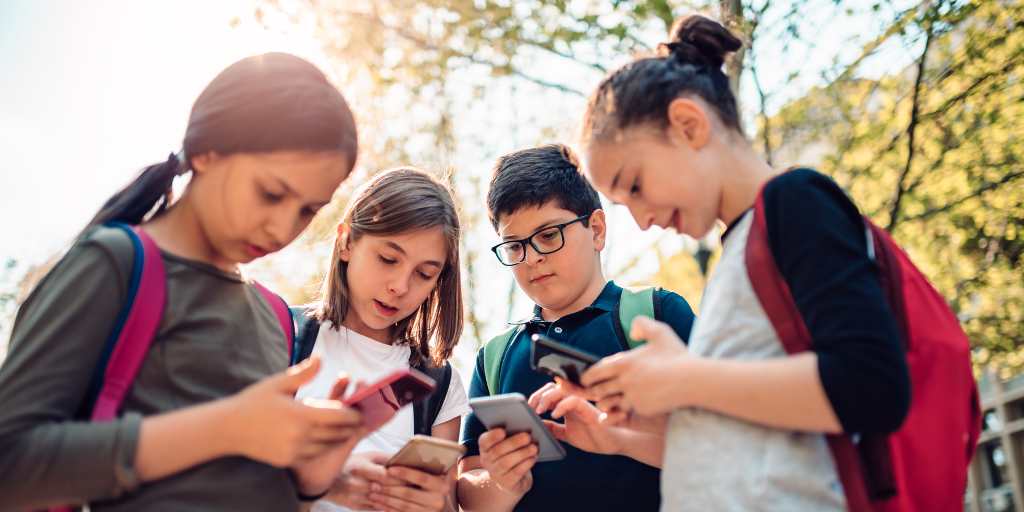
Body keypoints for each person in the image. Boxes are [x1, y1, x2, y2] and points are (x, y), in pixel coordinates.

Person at [573, 15, 910, 510]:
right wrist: (651, 405)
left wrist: (684, 377)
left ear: (688, 125)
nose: (642, 221)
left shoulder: (794, 202)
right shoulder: (742, 248)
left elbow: (871, 384)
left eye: (636, 186)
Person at [0, 52, 365, 511]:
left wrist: (310, 479)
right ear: (207, 151)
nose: (282, 229)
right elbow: (10, 465)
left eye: (308, 210)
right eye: (270, 193)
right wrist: (226, 427)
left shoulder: (273, 314)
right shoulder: (116, 263)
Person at [457, 144, 696, 511]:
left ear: (596, 230)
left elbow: (723, 447)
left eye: (549, 235)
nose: (532, 257)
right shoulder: (494, 357)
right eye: (514, 246)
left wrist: (620, 433)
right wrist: (502, 481)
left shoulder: (657, 316)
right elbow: (468, 489)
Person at [294, 167, 469, 512]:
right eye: (388, 259)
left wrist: (436, 505)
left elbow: (447, 505)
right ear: (346, 242)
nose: (400, 287)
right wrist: (314, 481)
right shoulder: (282, 334)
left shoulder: (440, 382)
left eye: (424, 274)